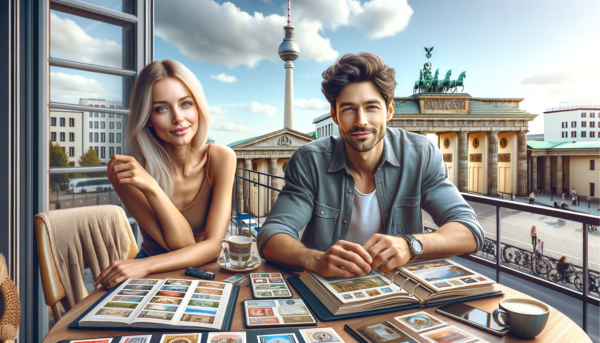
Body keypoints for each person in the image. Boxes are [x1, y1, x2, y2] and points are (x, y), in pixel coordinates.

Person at [257, 53, 484, 277]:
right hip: (328, 292)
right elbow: (272, 235)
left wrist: (410, 245)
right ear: (334, 116)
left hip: (400, 293)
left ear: (389, 111)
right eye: (348, 109)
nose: (360, 120)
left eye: (372, 107)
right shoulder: (310, 160)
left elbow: (469, 231)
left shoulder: (421, 154)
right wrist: (316, 259)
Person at [94, 60, 237, 289]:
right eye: (162, 108)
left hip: (193, 271)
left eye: (186, 104)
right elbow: (181, 245)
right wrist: (151, 185)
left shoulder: (221, 158)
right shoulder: (129, 172)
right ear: (148, 118)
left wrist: (147, 264)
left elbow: (213, 246)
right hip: (150, 279)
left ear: (198, 107)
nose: (178, 118)